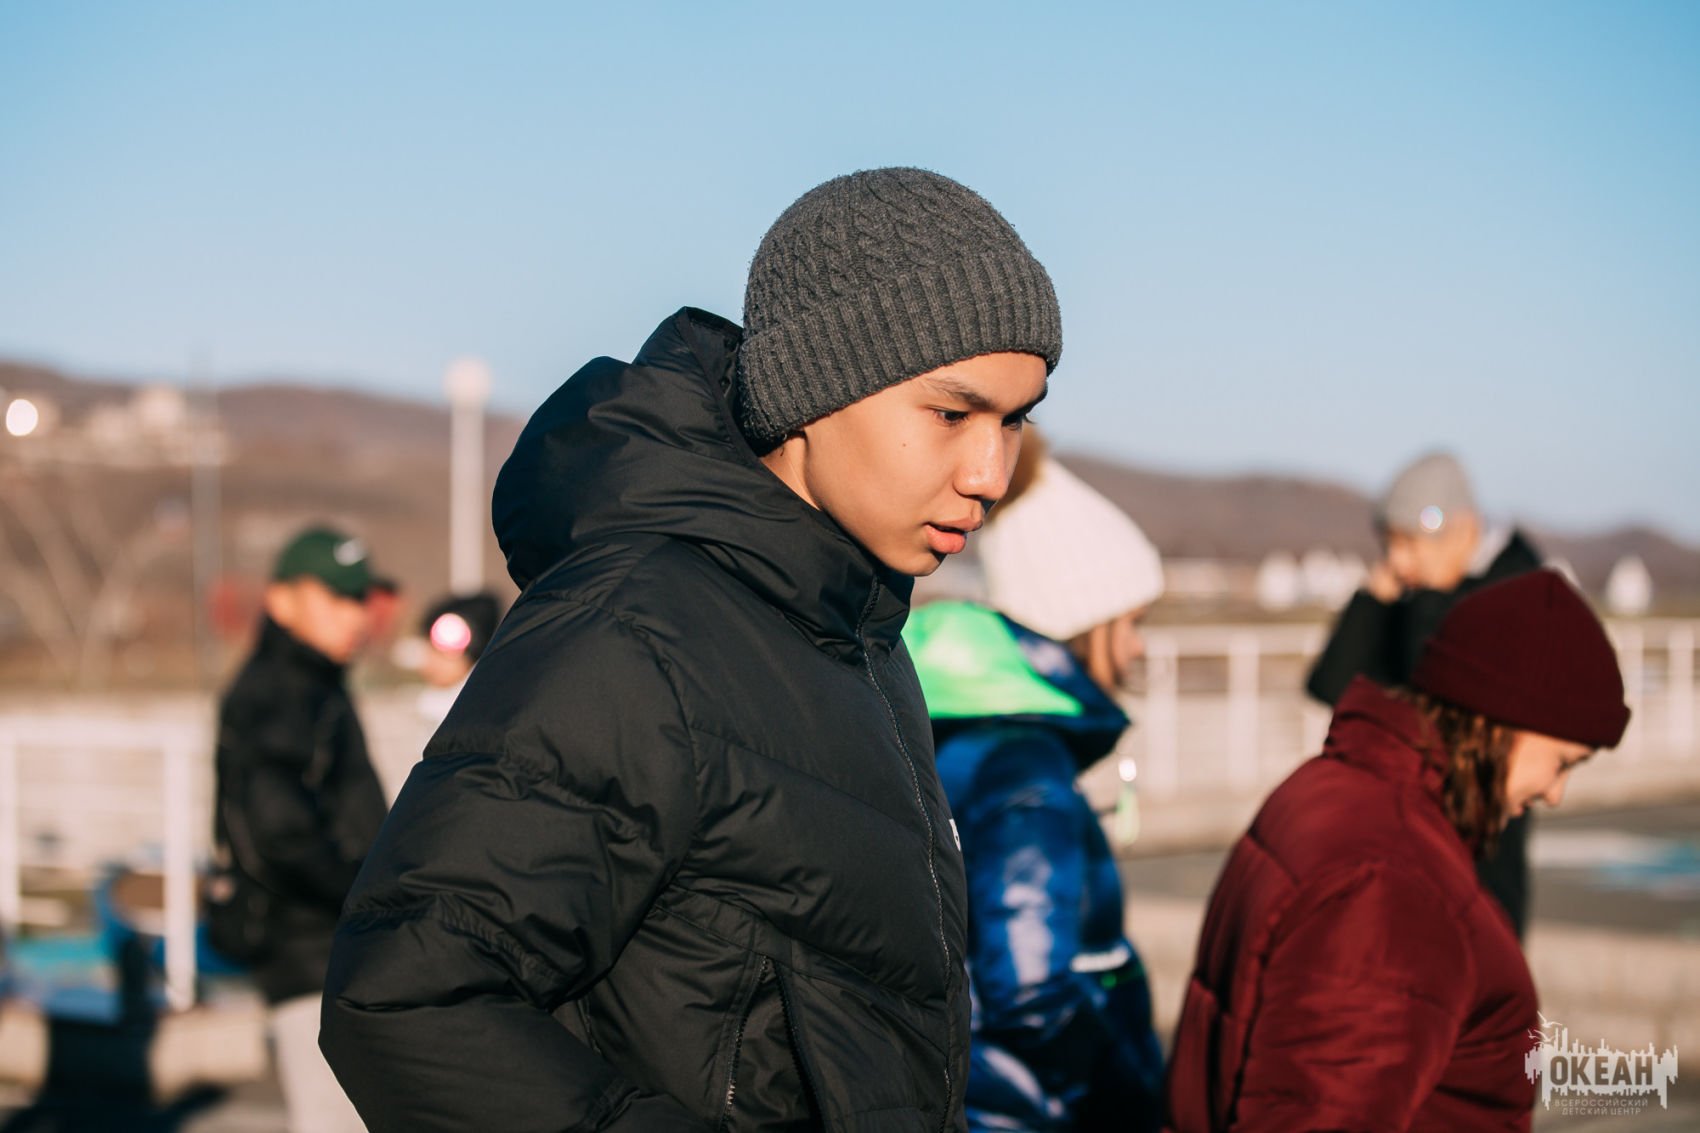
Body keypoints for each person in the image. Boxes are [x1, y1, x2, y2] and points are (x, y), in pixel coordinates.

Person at [319, 167, 1062, 1131]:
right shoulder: (633, 631)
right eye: (953, 413)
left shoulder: (863, 636)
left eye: (1015, 419)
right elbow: (407, 994)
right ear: (814, 389)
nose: (991, 472)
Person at [1166, 570, 1630, 1132]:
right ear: (1503, 720)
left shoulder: (1335, 788)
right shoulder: (1395, 880)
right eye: (1562, 763)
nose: (1555, 794)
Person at [904, 452, 1166, 1133]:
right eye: (1131, 622)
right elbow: (1030, 993)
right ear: (1083, 620)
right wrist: (1126, 1093)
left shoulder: (973, 739)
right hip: (1030, 1111)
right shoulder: (1024, 767)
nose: (1139, 648)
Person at [1305, 450, 1543, 937]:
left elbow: (1437, 689)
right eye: (1389, 545)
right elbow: (1331, 684)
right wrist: (1372, 600)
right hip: (1408, 829)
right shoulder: (1409, 595)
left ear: (1463, 531)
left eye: (1409, 544)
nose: (1397, 561)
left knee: (1486, 955)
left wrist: (1431, 594)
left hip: (1483, 838)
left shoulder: (1519, 587)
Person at [212, 525, 388, 1133]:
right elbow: (279, 833)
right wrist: (373, 900)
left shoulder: (316, 684)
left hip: (333, 946)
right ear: (281, 600)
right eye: (336, 596)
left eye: (359, 597)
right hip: (310, 950)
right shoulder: (276, 692)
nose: (355, 614)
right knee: (336, 1121)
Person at [412, 590, 502, 727]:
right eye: (430, 650)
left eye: (442, 654)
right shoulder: (429, 701)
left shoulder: (482, 710)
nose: (430, 662)